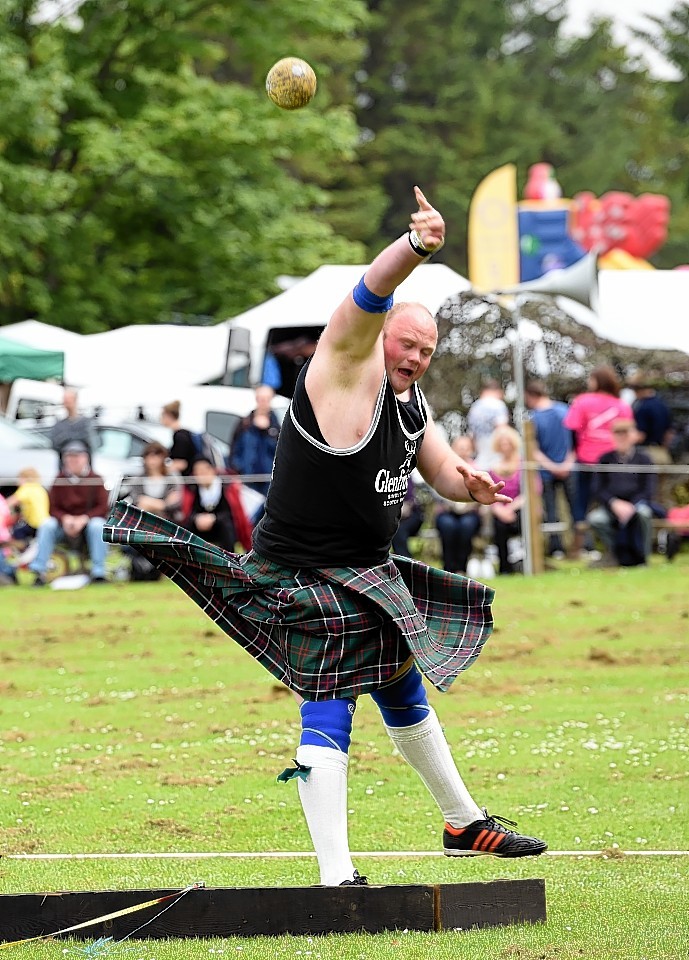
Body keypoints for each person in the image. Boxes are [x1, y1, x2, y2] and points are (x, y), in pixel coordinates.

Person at [103, 186, 546, 885]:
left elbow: (441, 471)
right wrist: (417, 248)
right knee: (330, 700)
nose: (415, 357)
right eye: (406, 343)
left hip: (366, 569)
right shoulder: (341, 370)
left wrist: (472, 485)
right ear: (381, 338)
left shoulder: (410, 398)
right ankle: (336, 877)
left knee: (400, 687)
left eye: (426, 350)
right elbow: (366, 298)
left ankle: (461, 823)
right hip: (304, 573)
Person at [563, 365, 633, 557]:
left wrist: (573, 453)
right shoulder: (621, 405)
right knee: (610, 500)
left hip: (588, 460)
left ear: (596, 380)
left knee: (581, 504)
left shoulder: (582, 401)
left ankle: (585, 545)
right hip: (612, 462)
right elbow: (629, 431)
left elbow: (572, 430)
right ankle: (610, 545)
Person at [29, 441, 109, 586]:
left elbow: (103, 508)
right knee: (47, 525)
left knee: (98, 526)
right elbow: (52, 508)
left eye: (77, 457)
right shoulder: (59, 479)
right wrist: (65, 519)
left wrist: (84, 519)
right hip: (64, 524)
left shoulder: (95, 479)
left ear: (86, 458)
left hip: (87, 524)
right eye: (70, 457)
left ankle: (99, 573)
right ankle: (39, 571)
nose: (73, 461)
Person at [586, 418, 655, 567]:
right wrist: (614, 503)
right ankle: (617, 554)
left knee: (644, 514)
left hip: (637, 504)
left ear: (634, 435)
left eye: (625, 433)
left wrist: (632, 505)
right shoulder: (605, 459)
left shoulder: (644, 459)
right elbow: (598, 488)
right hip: (612, 506)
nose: (622, 437)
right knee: (596, 519)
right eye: (618, 433)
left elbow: (648, 489)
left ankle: (643, 557)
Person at [524, 381, 575, 559]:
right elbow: (574, 443)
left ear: (530, 396)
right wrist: (567, 463)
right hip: (568, 468)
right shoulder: (565, 410)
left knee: (551, 511)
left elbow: (533, 449)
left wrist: (552, 467)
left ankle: (557, 548)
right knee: (574, 508)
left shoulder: (533, 418)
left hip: (546, 471)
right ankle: (584, 546)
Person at [228, 384, 281, 523]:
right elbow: (234, 449)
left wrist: (267, 431)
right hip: (247, 478)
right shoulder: (245, 423)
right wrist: (238, 469)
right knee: (247, 517)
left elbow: (280, 451)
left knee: (266, 515)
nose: (263, 403)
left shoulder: (276, 426)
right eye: (261, 399)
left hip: (268, 479)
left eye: (266, 399)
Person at [181, 457, 252, 553]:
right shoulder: (192, 489)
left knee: (226, 526)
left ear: (213, 470)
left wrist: (214, 518)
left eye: (205, 471)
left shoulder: (226, 487)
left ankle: (228, 558)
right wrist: (197, 519)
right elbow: (188, 513)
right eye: (198, 472)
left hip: (221, 526)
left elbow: (231, 513)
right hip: (199, 527)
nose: (202, 475)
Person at [434, 436, 482, 575]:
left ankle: (461, 568)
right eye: (460, 448)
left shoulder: (478, 469)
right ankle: (448, 568)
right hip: (447, 511)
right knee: (447, 526)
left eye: (466, 448)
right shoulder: (442, 468)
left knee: (466, 526)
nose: (463, 451)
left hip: (470, 512)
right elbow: (436, 490)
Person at [627, 373, 674, 509]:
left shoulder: (642, 407)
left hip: (646, 453)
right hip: (663, 454)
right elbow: (669, 433)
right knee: (661, 496)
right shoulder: (663, 405)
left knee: (645, 495)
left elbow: (640, 435)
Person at [488, 426, 528, 575]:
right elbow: (489, 492)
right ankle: (504, 568)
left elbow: (532, 491)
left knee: (524, 520)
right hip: (500, 510)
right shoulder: (493, 469)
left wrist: (510, 508)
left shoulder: (524, 465)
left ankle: (527, 564)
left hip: (521, 508)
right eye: (502, 443)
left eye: (508, 443)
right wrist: (499, 510)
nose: (505, 446)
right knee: (499, 525)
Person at [120, 441, 182, 521]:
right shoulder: (138, 479)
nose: (153, 460)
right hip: (144, 518)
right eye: (150, 456)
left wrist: (152, 503)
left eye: (156, 456)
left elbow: (175, 502)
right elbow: (137, 501)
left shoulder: (172, 478)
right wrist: (163, 504)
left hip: (168, 519)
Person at [467, 379, 509, 470]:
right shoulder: (499, 405)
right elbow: (502, 430)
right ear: (498, 391)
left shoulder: (475, 407)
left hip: (481, 458)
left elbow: (471, 435)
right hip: (497, 457)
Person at [49, 387, 96, 462]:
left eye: (69, 400)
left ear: (75, 400)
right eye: (65, 400)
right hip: (64, 468)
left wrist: (66, 438)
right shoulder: (59, 424)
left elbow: (90, 443)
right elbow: (54, 444)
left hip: (83, 467)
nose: (66, 402)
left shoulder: (85, 423)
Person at [390, 476, 425, 558]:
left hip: (411, 515)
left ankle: (404, 564)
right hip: (393, 517)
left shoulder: (405, 476)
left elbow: (407, 507)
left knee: (397, 530)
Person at [160, 401, 197, 477]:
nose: (161, 419)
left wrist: (161, 472)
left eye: (163, 416)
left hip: (187, 480)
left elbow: (181, 463)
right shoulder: (185, 433)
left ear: (169, 415)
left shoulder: (180, 437)